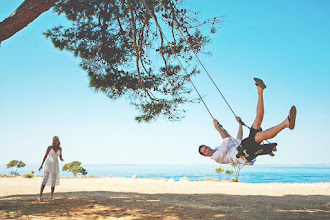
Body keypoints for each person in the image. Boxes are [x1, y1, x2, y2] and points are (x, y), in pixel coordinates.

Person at [198, 78, 297, 165]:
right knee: (258, 136)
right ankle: (285, 124)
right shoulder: (216, 157)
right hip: (244, 154)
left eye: (206, 147)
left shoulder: (218, 148)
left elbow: (237, 140)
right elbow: (227, 139)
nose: (207, 149)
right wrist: (217, 128)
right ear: (205, 155)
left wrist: (240, 124)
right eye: (205, 151)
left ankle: (260, 92)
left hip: (243, 145)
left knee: (257, 122)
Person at [38, 136, 64, 201]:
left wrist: (61, 159)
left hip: (55, 164)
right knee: (45, 178)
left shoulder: (60, 148)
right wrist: (41, 165)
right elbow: (45, 155)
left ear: (58, 141)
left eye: (56, 140)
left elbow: (60, 156)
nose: (55, 141)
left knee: (54, 180)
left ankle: (52, 195)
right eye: (54, 140)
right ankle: (40, 196)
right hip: (49, 163)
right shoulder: (50, 147)